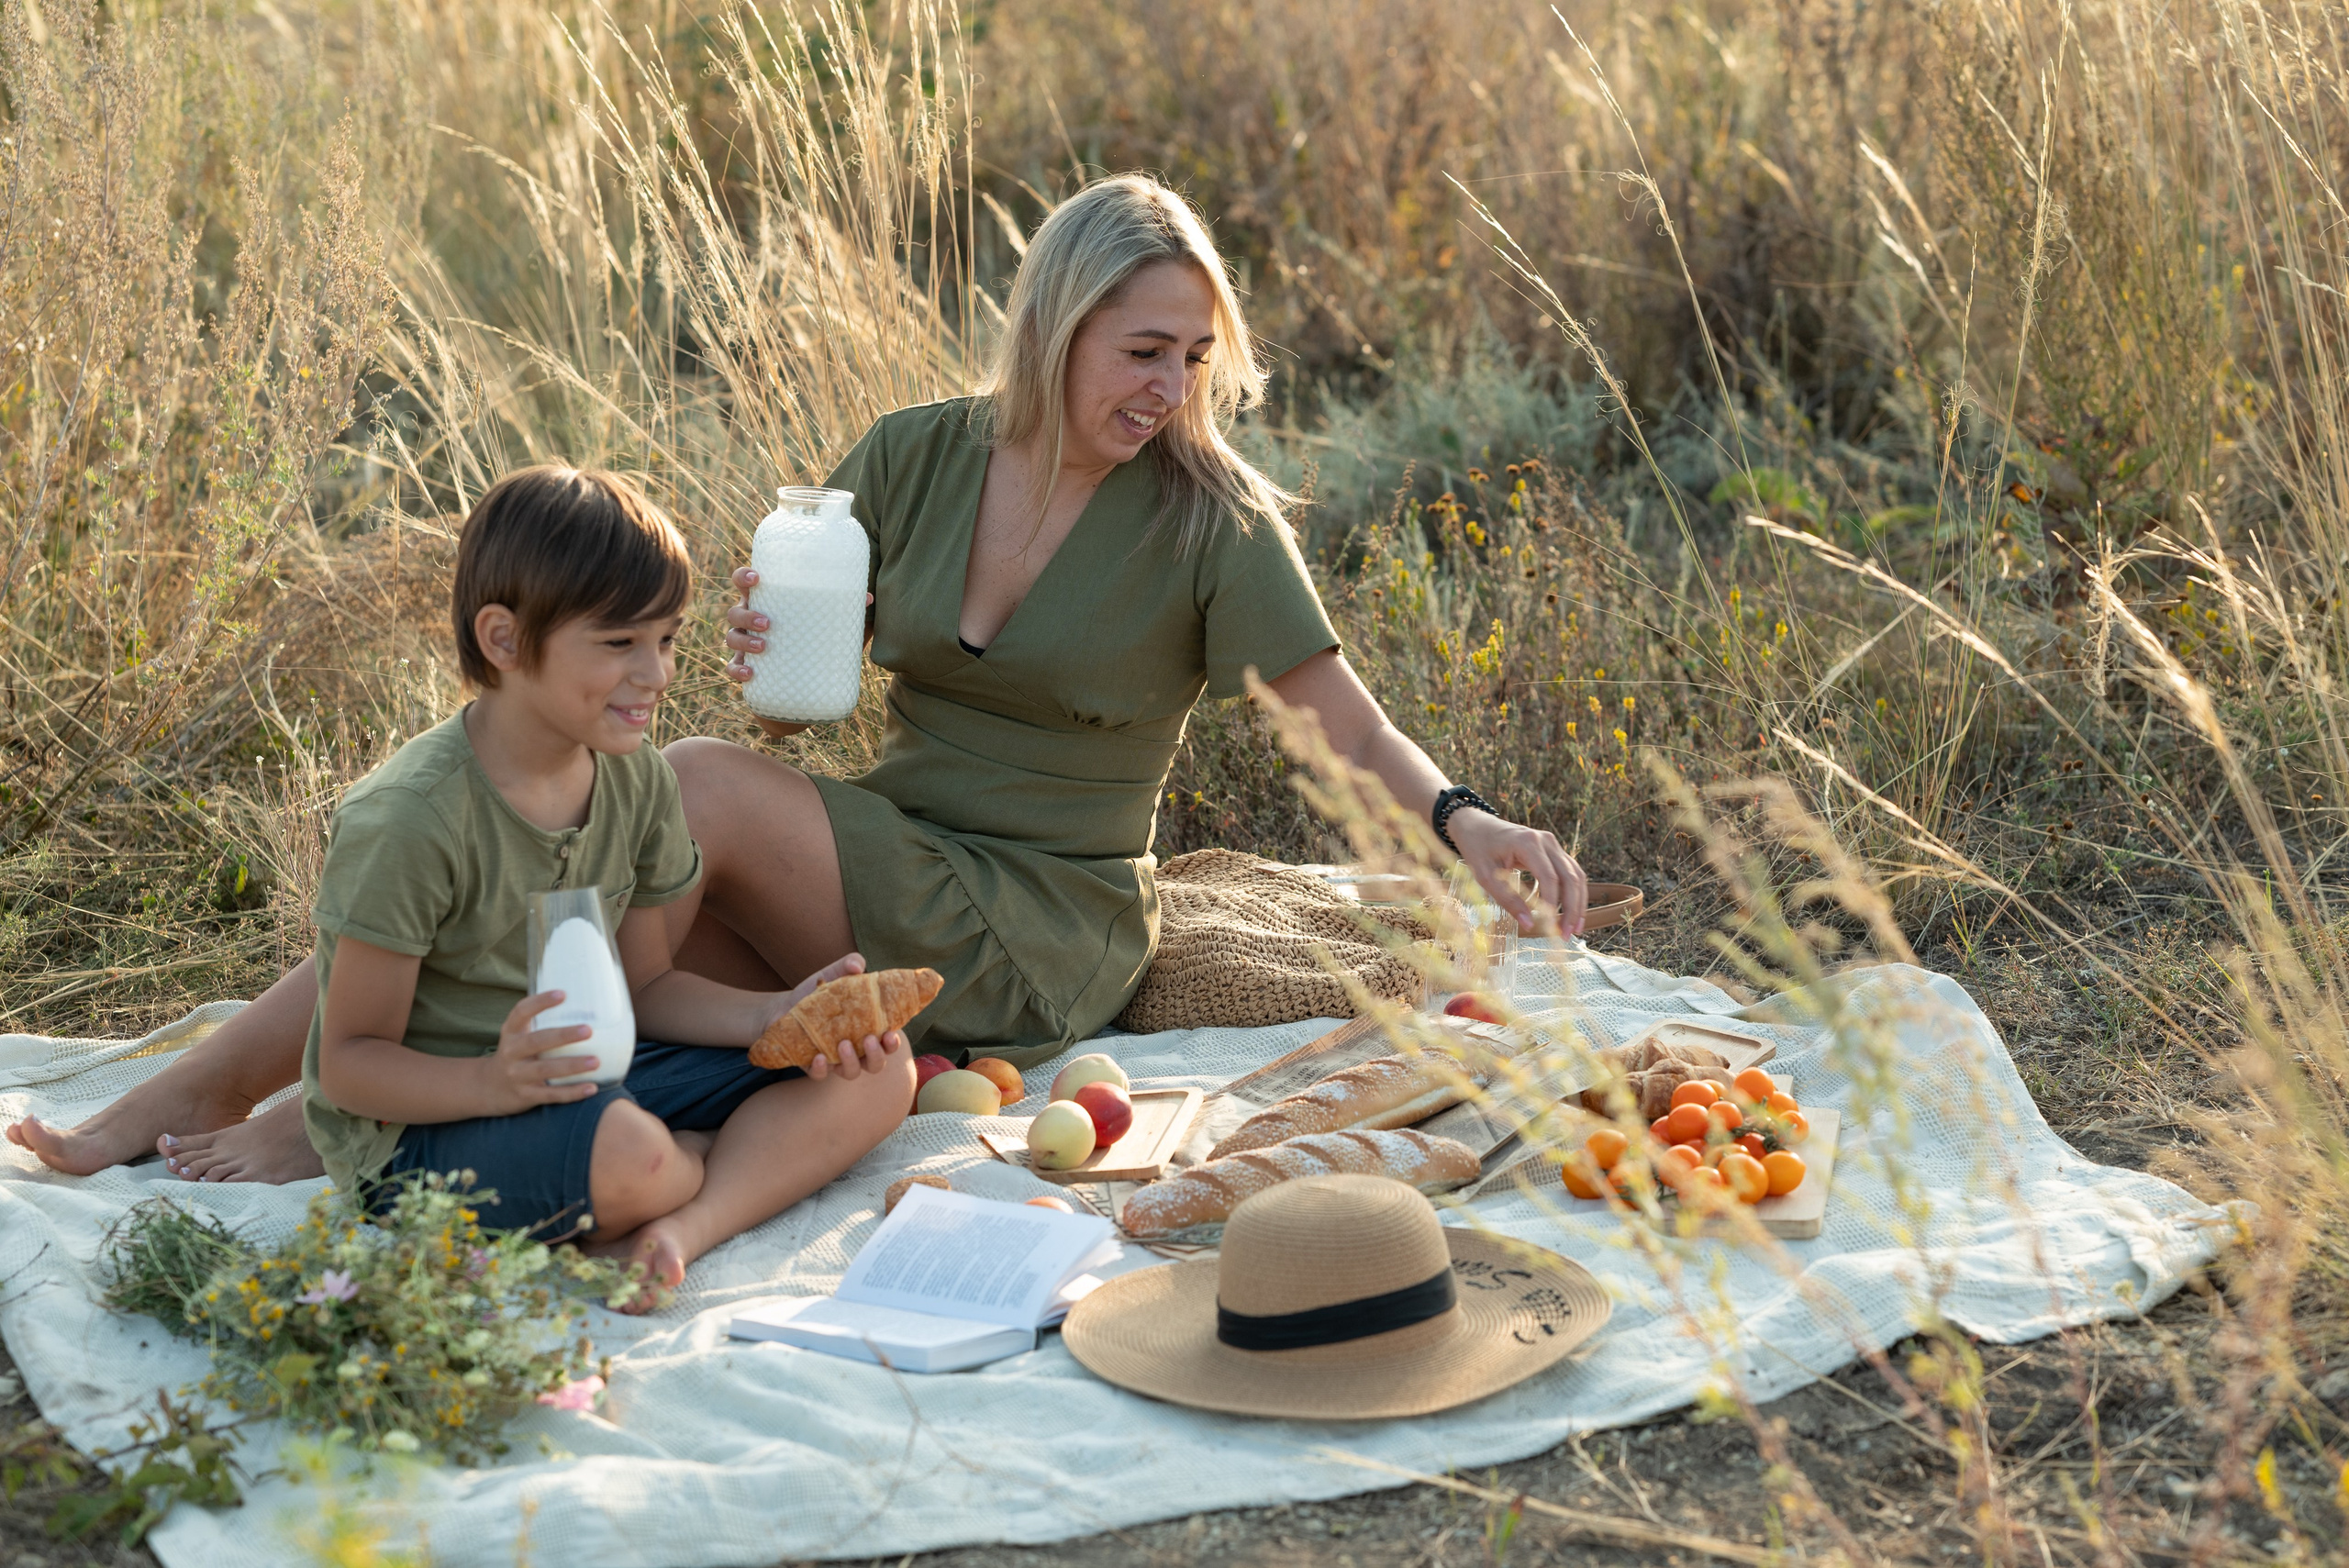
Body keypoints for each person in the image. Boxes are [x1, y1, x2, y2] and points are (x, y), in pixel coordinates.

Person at [8, 172, 1586, 1189]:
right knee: (541, 859)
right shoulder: (911, 454)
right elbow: (797, 710)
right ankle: (147, 1110)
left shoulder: (1209, 515)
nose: (1169, 389)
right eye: (1140, 351)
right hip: (876, 847)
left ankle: (336, 1120)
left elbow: (1339, 714)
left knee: (668, 792)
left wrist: (1470, 821)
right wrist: (774, 664)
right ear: (1056, 323)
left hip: (1045, 911)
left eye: (1192, 357)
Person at [293, 464, 908, 1303]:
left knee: (877, 1069)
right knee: (638, 1154)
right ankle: (681, 1165)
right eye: (619, 643)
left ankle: (676, 1228)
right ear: (505, 640)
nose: (654, 675)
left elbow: (645, 986)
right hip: (424, 1128)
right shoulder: (410, 818)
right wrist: (492, 1083)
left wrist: (775, 1014)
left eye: (666, 639)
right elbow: (349, 1067)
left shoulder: (638, 782)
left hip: (592, 1076)